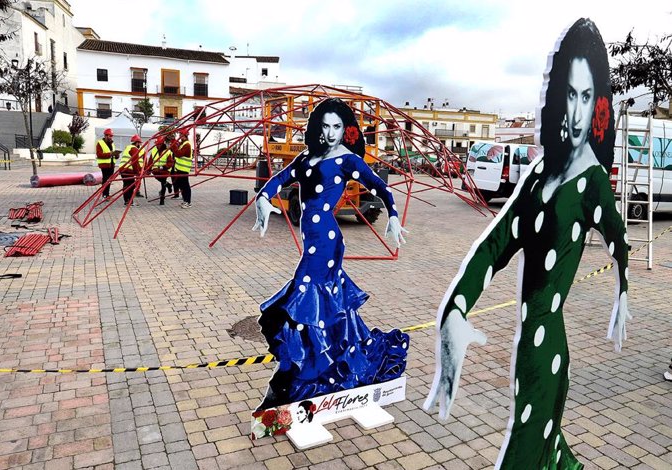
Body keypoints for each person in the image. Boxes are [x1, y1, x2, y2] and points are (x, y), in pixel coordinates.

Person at [424, 19, 630, 470]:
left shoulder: (592, 180)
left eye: (586, 97)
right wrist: (456, 310)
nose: (576, 111)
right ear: (559, 98)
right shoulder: (538, 176)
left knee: (523, 456)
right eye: (570, 95)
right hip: (533, 349)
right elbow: (495, 245)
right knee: (551, 454)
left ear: (598, 105)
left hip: (544, 352)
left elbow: (618, 234)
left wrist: (624, 290)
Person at [253, 98, 409, 409]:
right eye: (325, 126)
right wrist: (262, 198)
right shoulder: (305, 159)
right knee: (318, 306)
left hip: (325, 242)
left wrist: (392, 215)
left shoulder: (347, 160)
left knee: (300, 306)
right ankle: (315, 368)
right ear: (316, 128)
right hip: (313, 240)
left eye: (337, 126)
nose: (330, 133)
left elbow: (380, 187)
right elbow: (277, 180)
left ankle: (293, 378)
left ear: (346, 130)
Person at [119, 135, 144, 206]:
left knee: (126, 185)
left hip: (123, 168)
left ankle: (127, 201)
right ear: (137, 143)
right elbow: (135, 162)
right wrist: (137, 172)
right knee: (130, 186)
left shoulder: (128, 147)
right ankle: (129, 201)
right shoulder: (134, 149)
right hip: (128, 170)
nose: (140, 145)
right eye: (139, 143)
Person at [95, 128, 120, 199]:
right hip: (105, 165)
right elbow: (99, 155)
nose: (110, 137)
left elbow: (114, 155)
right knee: (106, 180)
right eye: (108, 136)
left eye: (111, 136)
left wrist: (116, 155)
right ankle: (104, 194)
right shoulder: (100, 143)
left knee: (109, 180)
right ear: (105, 136)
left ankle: (107, 194)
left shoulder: (112, 143)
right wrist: (110, 154)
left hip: (111, 164)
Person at [171, 130, 193, 208]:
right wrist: (173, 142)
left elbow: (178, 154)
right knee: (181, 185)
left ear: (185, 136)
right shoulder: (182, 144)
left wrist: (173, 145)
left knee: (185, 186)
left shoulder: (187, 145)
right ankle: (185, 201)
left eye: (181, 135)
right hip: (180, 169)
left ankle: (188, 202)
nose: (180, 136)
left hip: (184, 169)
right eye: (180, 134)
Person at [150, 136, 174, 205]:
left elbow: (170, 162)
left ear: (162, 144)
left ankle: (162, 199)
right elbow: (150, 161)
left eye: (159, 144)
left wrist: (164, 167)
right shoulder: (154, 150)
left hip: (164, 171)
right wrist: (148, 169)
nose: (158, 146)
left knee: (163, 183)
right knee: (162, 181)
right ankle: (168, 185)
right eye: (157, 144)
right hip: (155, 171)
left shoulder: (167, 151)